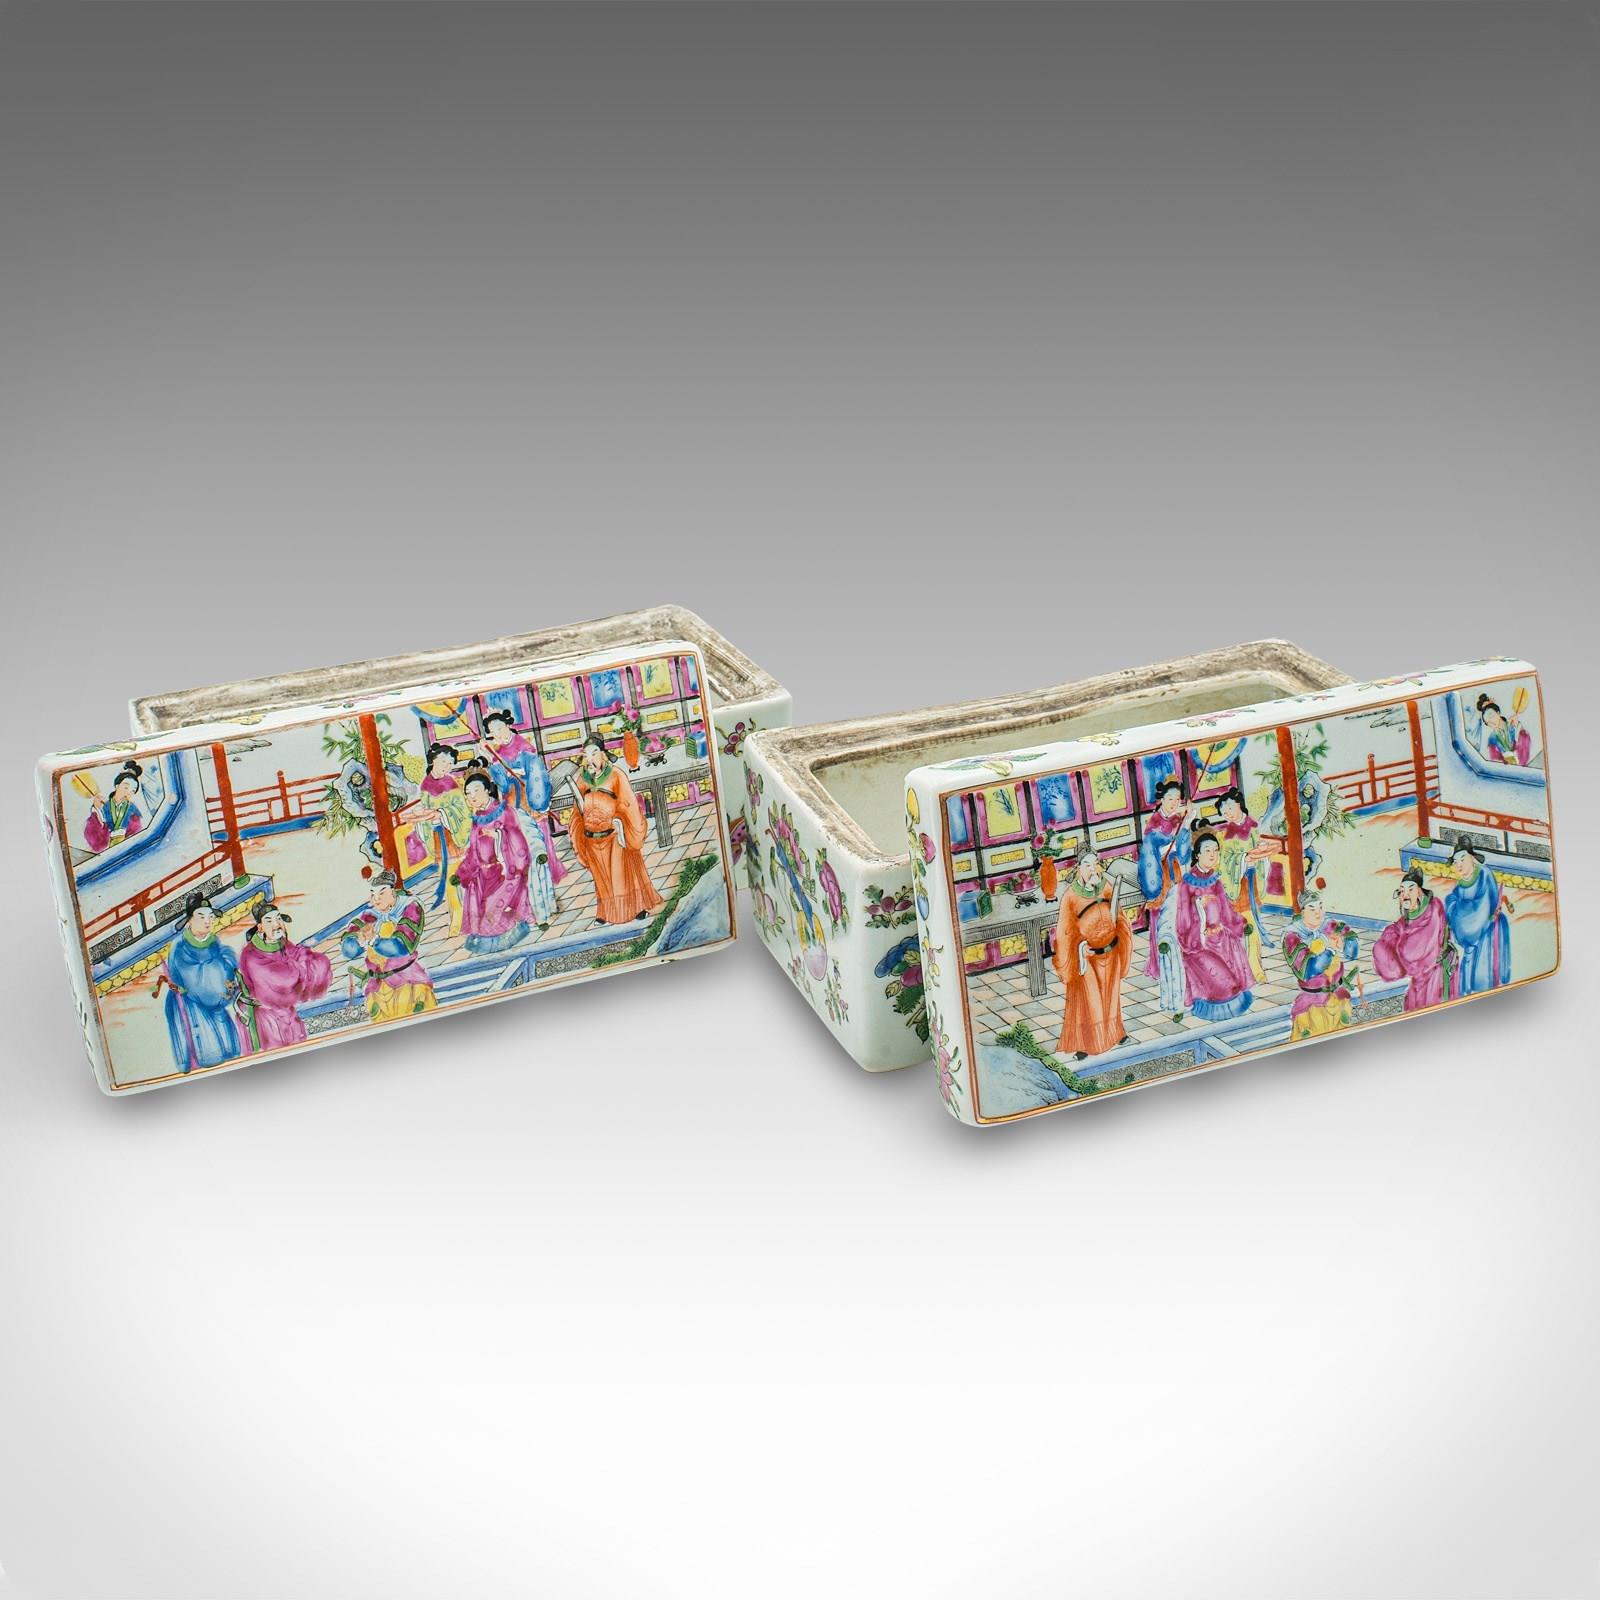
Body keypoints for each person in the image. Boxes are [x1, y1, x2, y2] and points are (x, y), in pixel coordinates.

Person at [567, 733, 664, 926]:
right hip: (592, 837)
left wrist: (620, 821)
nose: (590, 759)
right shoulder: (582, 780)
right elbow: (577, 811)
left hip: (615, 833)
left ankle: (636, 908)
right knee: (601, 877)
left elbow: (628, 803)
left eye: (594, 753)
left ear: (604, 754)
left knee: (623, 875)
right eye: (586, 755)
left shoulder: (616, 775)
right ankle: (606, 912)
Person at [455, 760, 545, 953]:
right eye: (468, 794)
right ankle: (489, 941)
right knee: (478, 902)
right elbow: (473, 849)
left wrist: (498, 836)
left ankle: (508, 935)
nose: (472, 797)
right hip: (483, 873)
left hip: (505, 870)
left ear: (488, 790)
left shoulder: (504, 811)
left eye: (476, 791)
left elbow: (516, 838)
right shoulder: (477, 818)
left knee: (495, 907)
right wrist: (465, 871)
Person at [1051, 848, 1133, 1059]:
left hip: (1110, 951)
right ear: (1078, 868)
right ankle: (1086, 1044)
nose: (1092, 869)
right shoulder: (1070, 896)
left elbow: (1118, 914)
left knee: (1111, 996)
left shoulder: (1105, 886)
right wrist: (1078, 949)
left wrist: (1119, 932)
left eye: (1095, 864)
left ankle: (1115, 1033)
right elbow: (1065, 932)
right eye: (1087, 865)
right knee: (1090, 1001)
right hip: (1086, 956)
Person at [160, 891, 245, 1072]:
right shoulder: (180, 948)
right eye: (201, 916)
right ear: (190, 920)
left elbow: (227, 967)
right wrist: (222, 964)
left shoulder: (214, 942)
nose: (208, 921)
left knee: (230, 1048)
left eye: (210, 916)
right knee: (208, 1049)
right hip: (192, 1003)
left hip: (217, 1000)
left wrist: (226, 962)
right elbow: (194, 980)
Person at [1175, 830, 1255, 1022]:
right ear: (1197, 854)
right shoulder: (1187, 884)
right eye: (1208, 850)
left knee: (1235, 982)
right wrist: (1198, 906)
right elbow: (1182, 919)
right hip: (1198, 945)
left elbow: (1226, 910)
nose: (1213, 855)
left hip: (1221, 940)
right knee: (1224, 984)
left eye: (1216, 850)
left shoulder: (1216, 881)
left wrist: (1238, 925)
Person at [481, 711, 567, 887]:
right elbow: (503, 786)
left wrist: (538, 802)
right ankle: (527, 880)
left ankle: (547, 876)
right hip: (513, 803)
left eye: (499, 728)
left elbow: (537, 776)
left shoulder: (525, 748)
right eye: (493, 732)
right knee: (519, 841)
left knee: (539, 839)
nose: (498, 734)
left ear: (508, 725)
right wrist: (492, 760)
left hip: (530, 799)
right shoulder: (498, 753)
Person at [341, 868, 436, 1022]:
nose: (376, 899)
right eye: (373, 895)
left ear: (392, 891)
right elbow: (348, 950)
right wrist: (358, 939)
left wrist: (373, 940)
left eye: (381, 893)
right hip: (377, 987)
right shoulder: (370, 914)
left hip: (407, 980)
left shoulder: (410, 907)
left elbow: (401, 947)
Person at [236, 902, 333, 1051]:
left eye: (278, 918)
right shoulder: (251, 956)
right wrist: (301, 967)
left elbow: (303, 956)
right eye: (269, 921)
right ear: (260, 927)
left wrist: (301, 964)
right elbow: (283, 981)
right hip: (266, 1019)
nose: (276, 924)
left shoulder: (282, 943)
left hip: (287, 1014)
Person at [1138, 778, 1194, 1021]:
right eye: (1169, 798)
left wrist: (1185, 827)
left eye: (1177, 799)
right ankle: (1168, 985)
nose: (1173, 803)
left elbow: (1184, 853)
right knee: (1164, 932)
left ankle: (1183, 987)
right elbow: (1154, 845)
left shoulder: (1178, 821)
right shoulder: (1154, 822)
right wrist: (1177, 832)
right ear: (1161, 799)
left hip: (1177, 877)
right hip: (1162, 882)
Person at [1281, 885, 1363, 1039]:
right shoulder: (1292, 936)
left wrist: (1346, 944)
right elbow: (1310, 970)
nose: (1318, 912)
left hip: (1339, 998)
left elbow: (1352, 950)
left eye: (1320, 907)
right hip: (1312, 1004)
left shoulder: (1329, 925)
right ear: (1302, 912)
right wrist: (1330, 949)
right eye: (1312, 909)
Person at [1372, 869, 1459, 1012]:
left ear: (1419, 891)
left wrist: (1395, 945)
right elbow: (1397, 930)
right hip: (1420, 978)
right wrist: (1389, 939)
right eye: (1401, 891)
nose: (1405, 895)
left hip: (1435, 975)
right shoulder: (1410, 915)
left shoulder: (1433, 911)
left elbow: (1412, 953)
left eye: (1410, 890)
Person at [1212, 785, 1273, 984]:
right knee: (1238, 927)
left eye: (1230, 807)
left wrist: (1260, 852)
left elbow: (1262, 852)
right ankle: (1244, 969)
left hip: (1250, 882)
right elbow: (1224, 861)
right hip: (1233, 884)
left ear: (1239, 804)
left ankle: (1255, 968)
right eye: (1224, 811)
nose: (1228, 813)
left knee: (1250, 925)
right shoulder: (1224, 834)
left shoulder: (1253, 827)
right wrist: (1241, 859)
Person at [1445, 841, 1513, 993]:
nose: (1459, 865)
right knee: (1467, 972)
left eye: (1462, 859)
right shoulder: (1460, 885)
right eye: (1456, 862)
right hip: (1470, 936)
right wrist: (1452, 905)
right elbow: (1452, 903)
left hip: (1486, 930)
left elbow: (1482, 908)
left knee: (1483, 974)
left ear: (1472, 858)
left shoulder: (1484, 875)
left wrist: (1459, 911)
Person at [83, 761, 145, 852]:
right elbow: (93, 836)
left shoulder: (132, 809)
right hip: (106, 850)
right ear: (117, 786)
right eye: (126, 787)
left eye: (133, 791)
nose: (128, 793)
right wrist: (97, 809)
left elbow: (137, 833)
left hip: (127, 849)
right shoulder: (103, 806)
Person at [1475, 693, 1533, 767]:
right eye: (1488, 722)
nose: (1491, 722)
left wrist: (1517, 726)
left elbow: (1525, 742)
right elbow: (1494, 759)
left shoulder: (1513, 724)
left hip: (1523, 763)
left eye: (1491, 716)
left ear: (1498, 713)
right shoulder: (1492, 738)